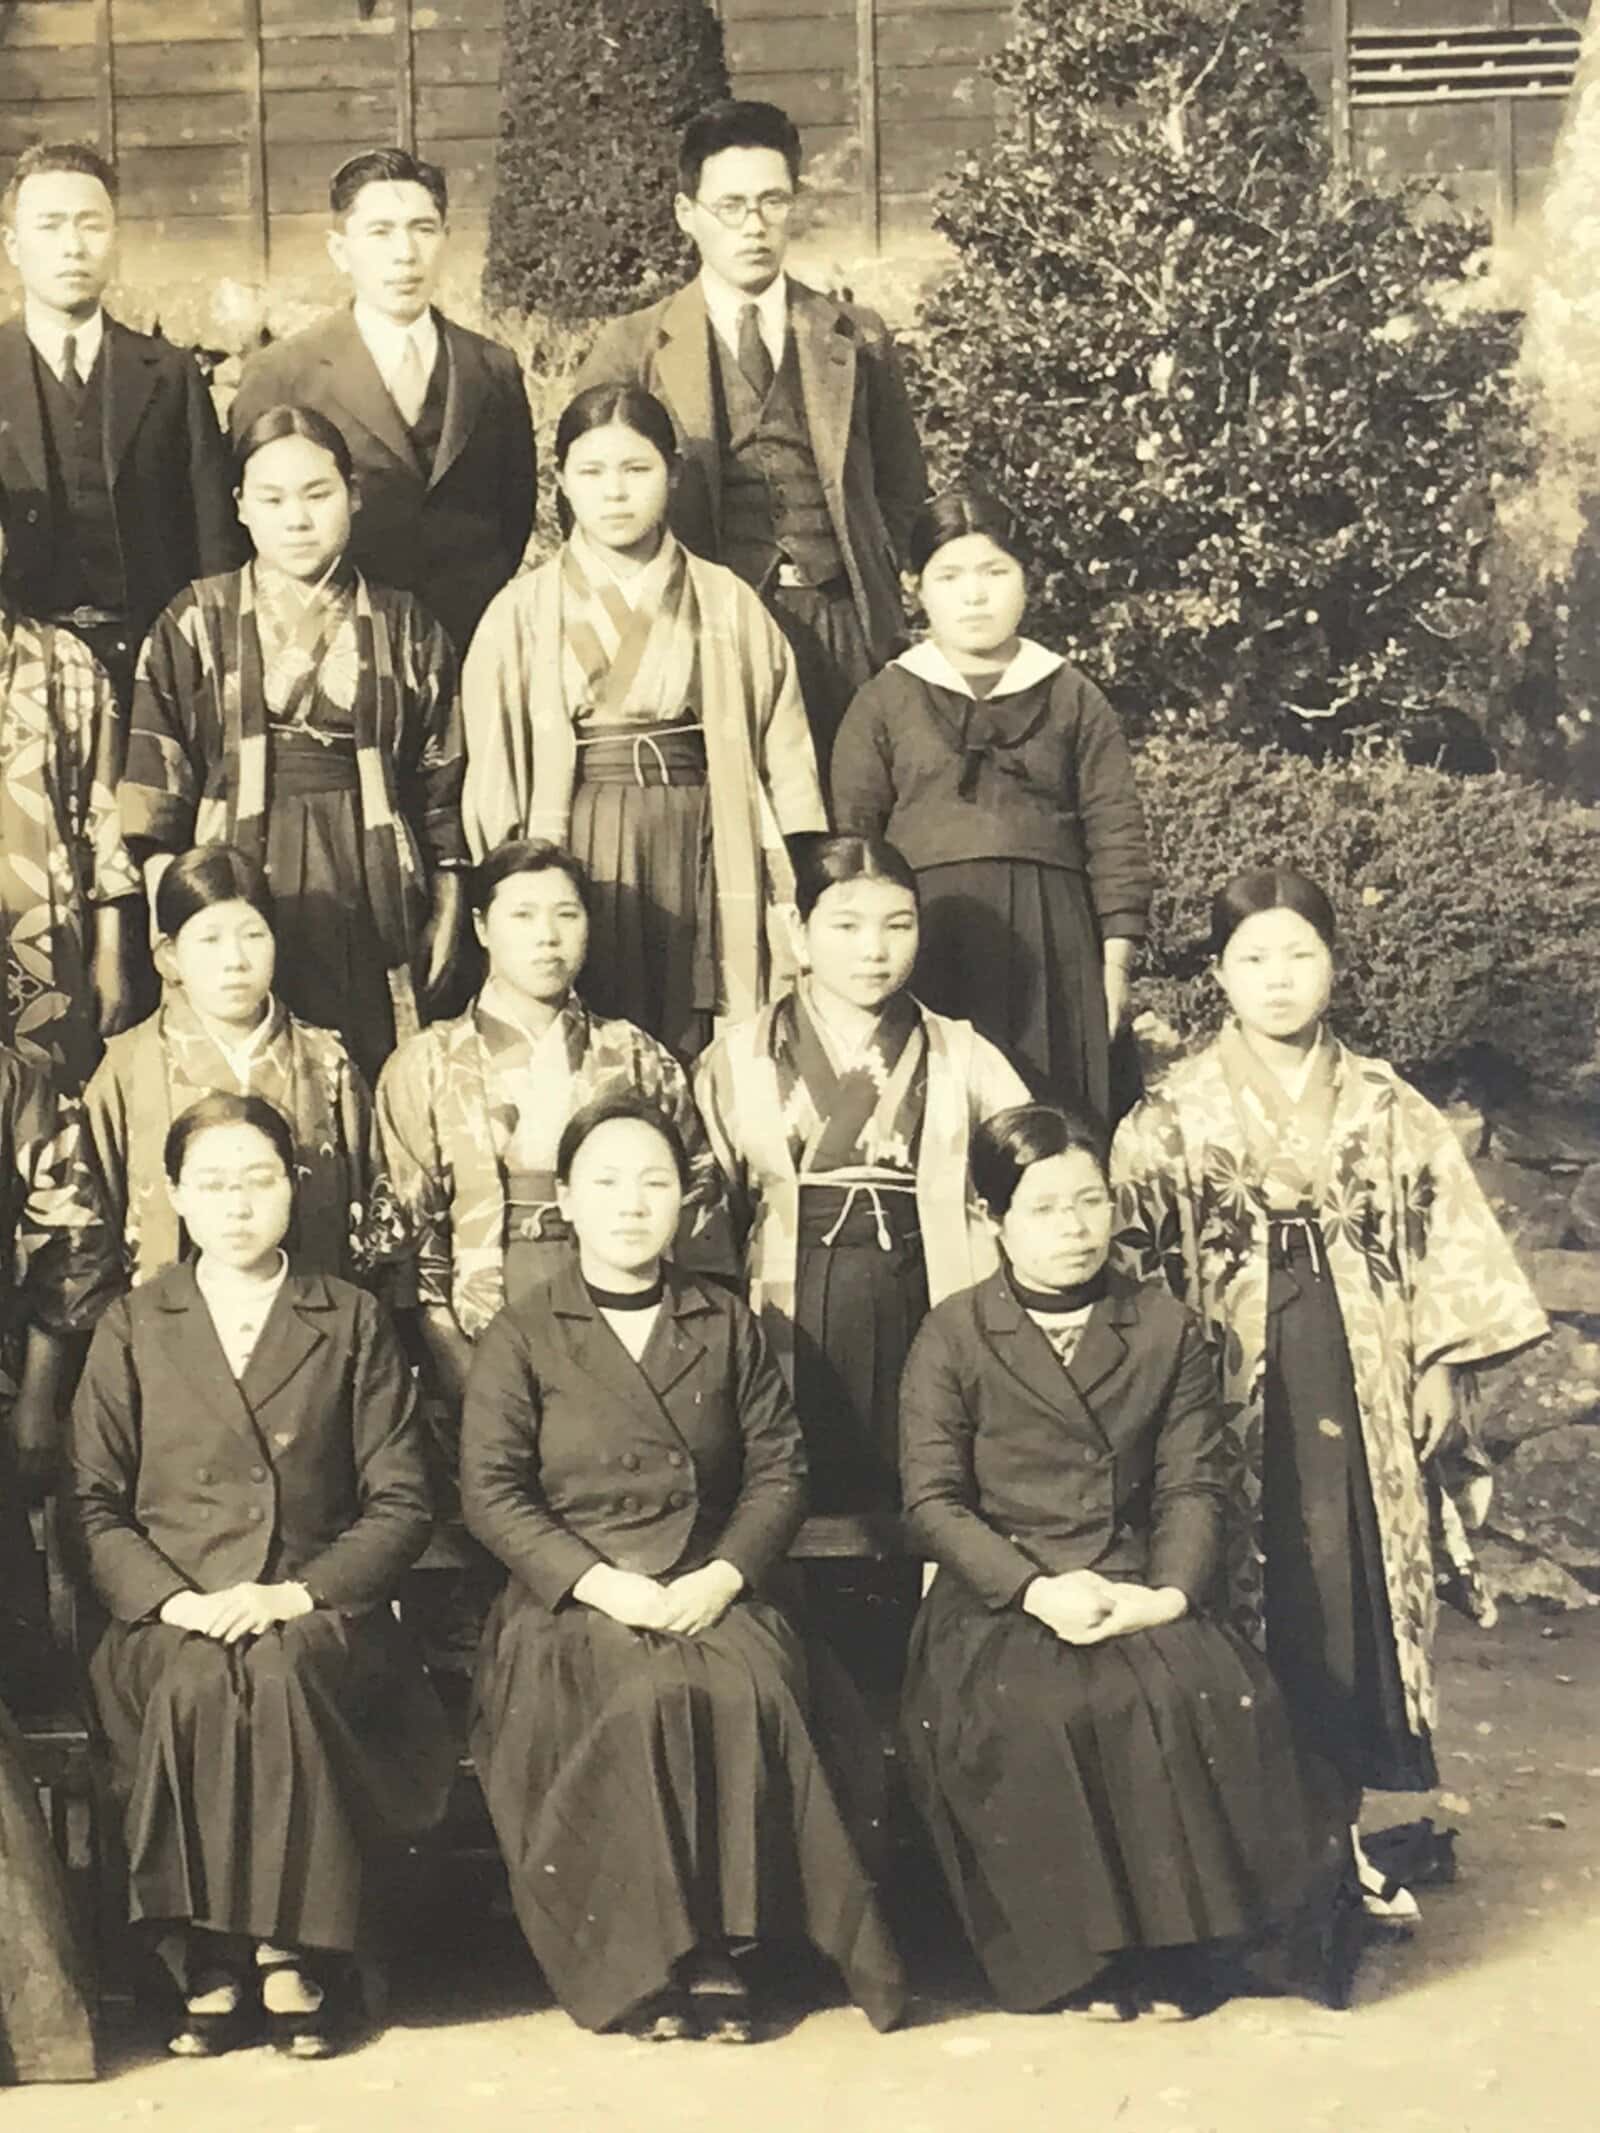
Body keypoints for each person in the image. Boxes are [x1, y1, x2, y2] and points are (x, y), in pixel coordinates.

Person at [1111, 869, 1548, 1924]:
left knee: (1342, 1595)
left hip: (1359, 1379)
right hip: (1222, 1389)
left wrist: (1438, 1361)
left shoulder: (1387, 1103)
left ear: (1333, 968)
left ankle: (1338, 1837)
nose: (1276, 979)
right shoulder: (1169, 1115)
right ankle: (1249, 1852)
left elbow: (1446, 1236)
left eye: (1297, 955)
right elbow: (1132, 1264)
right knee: (1236, 1593)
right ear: (1216, 974)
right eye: (1252, 958)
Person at [461, 1092, 906, 2042]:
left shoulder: (725, 1320)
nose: (631, 1203)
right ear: (566, 1202)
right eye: (607, 1182)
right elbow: (492, 1492)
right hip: (572, 1601)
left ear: (685, 1202)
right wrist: (598, 1582)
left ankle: (742, 1943)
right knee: (642, 1693)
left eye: (654, 1182)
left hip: (709, 1583)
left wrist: (726, 1575)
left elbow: (780, 1464)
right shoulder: (525, 1333)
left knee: (746, 1686)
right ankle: (658, 1955)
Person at [900, 1102, 1352, 2019]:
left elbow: (1194, 1483)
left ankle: (1187, 1947)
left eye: (1089, 1203)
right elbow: (933, 1502)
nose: (1073, 1230)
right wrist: (1032, 1589)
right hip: (1002, 1597)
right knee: (1047, 1706)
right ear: (993, 1219)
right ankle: (1084, 1959)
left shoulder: (1166, 1326)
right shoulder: (953, 1334)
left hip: (1131, 1579)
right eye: (1042, 1209)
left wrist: (1168, 1596)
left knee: (1200, 1693)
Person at [70, 1091, 452, 2060]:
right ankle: (208, 1949)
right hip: (176, 1611)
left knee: (281, 1673)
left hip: (317, 1605)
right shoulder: (131, 1326)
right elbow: (95, 1504)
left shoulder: (353, 1319)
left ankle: (292, 1947)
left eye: (258, 1180)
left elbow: (402, 1500)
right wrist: (178, 1601)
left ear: (294, 1189)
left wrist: (296, 1592)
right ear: (175, 1200)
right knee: (198, 1678)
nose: (237, 1204)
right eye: (212, 1184)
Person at [695, 833, 1029, 1690]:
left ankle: (914, 1697)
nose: (874, 949)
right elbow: (706, 1218)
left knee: (921, 1484)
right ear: (798, 935)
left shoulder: (961, 1051)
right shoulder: (736, 1057)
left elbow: (1024, 1184)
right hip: (787, 1306)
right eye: (845, 925)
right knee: (792, 1492)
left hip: (926, 1293)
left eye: (896, 924)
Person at [461, 383, 826, 1055]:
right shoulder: (520, 610)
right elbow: (493, 767)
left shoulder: (726, 599)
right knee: (589, 1005)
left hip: (706, 830)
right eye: (592, 471)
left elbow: (785, 743)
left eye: (638, 469)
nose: (615, 492)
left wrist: (798, 867)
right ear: (562, 482)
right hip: (578, 831)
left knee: (706, 1013)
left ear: (674, 473)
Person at [117, 403, 467, 1086]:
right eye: (273, 499)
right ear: (241, 507)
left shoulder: (406, 624)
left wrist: (450, 898)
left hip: (370, 874)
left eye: (318, 494)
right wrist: (178, 921)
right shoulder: (193, 619)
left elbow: (442, 783)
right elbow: (155, 797)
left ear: (354, 496)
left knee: (372, 1064)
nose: (297, 519)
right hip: (233, 866)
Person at [576, 101, 926, 766]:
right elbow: (592, 498)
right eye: (730, 206)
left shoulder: (857, 336)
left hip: (843, 620)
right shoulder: (633, 347)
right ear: (688, 215)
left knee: (852, 822)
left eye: (772, 201)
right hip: (705, 623)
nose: (754, 226)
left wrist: (868, 578)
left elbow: (903, 484)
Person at [374, 838, 730, 1427]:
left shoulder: (636, 1057)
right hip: (483, 1305)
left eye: (567, 914)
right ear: (482, 927)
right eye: (523, 915)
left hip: (625, 1306)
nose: (548, 936)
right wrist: (449, 1352)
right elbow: (408, 1240)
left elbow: (695, 1204)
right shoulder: (426, 1062)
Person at [832, 489, 1151, 1122]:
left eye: (994, 572)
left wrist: (1113, 966)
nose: (974, 595)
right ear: (916, 587)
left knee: (1053, 1125)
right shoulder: (885, 699)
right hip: (930, 939)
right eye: (950, 576)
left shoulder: (1072, 695)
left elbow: (1117, 832)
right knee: (938, 1118)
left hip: (1053, 943)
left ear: (1026, 581)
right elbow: (851, 840)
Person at [230, 149, 535, 657]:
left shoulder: (491, 368)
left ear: (445, 240)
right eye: (380, 232)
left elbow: (513, 511)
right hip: (334, 648)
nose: (405, 253)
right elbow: (245, 522)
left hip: (470, 644)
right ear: (339, 249)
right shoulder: (283, 373)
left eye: (423, 229)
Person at [77, 845, 384, 1292]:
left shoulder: (327, 1063)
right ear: (169, 957)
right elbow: (89, 1239)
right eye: (210, 939)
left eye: (253, 935)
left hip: (311, 1331)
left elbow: (372, 1226)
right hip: (163, 1343)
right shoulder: (125, 1068)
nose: (235, 960)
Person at [0, 142, 242, 705]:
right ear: (12, 244)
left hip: (152, 669)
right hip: (15, 676)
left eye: (91, 225)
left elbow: (212, 539)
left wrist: (212, 662)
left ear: (116, 239)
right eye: (50, 226)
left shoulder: (171, 374)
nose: (72, 246)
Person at [0, 512, 141, 1087]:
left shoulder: (67, 663)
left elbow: (105, 822)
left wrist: (111, 953)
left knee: (51, 1129)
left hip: (48, 950)